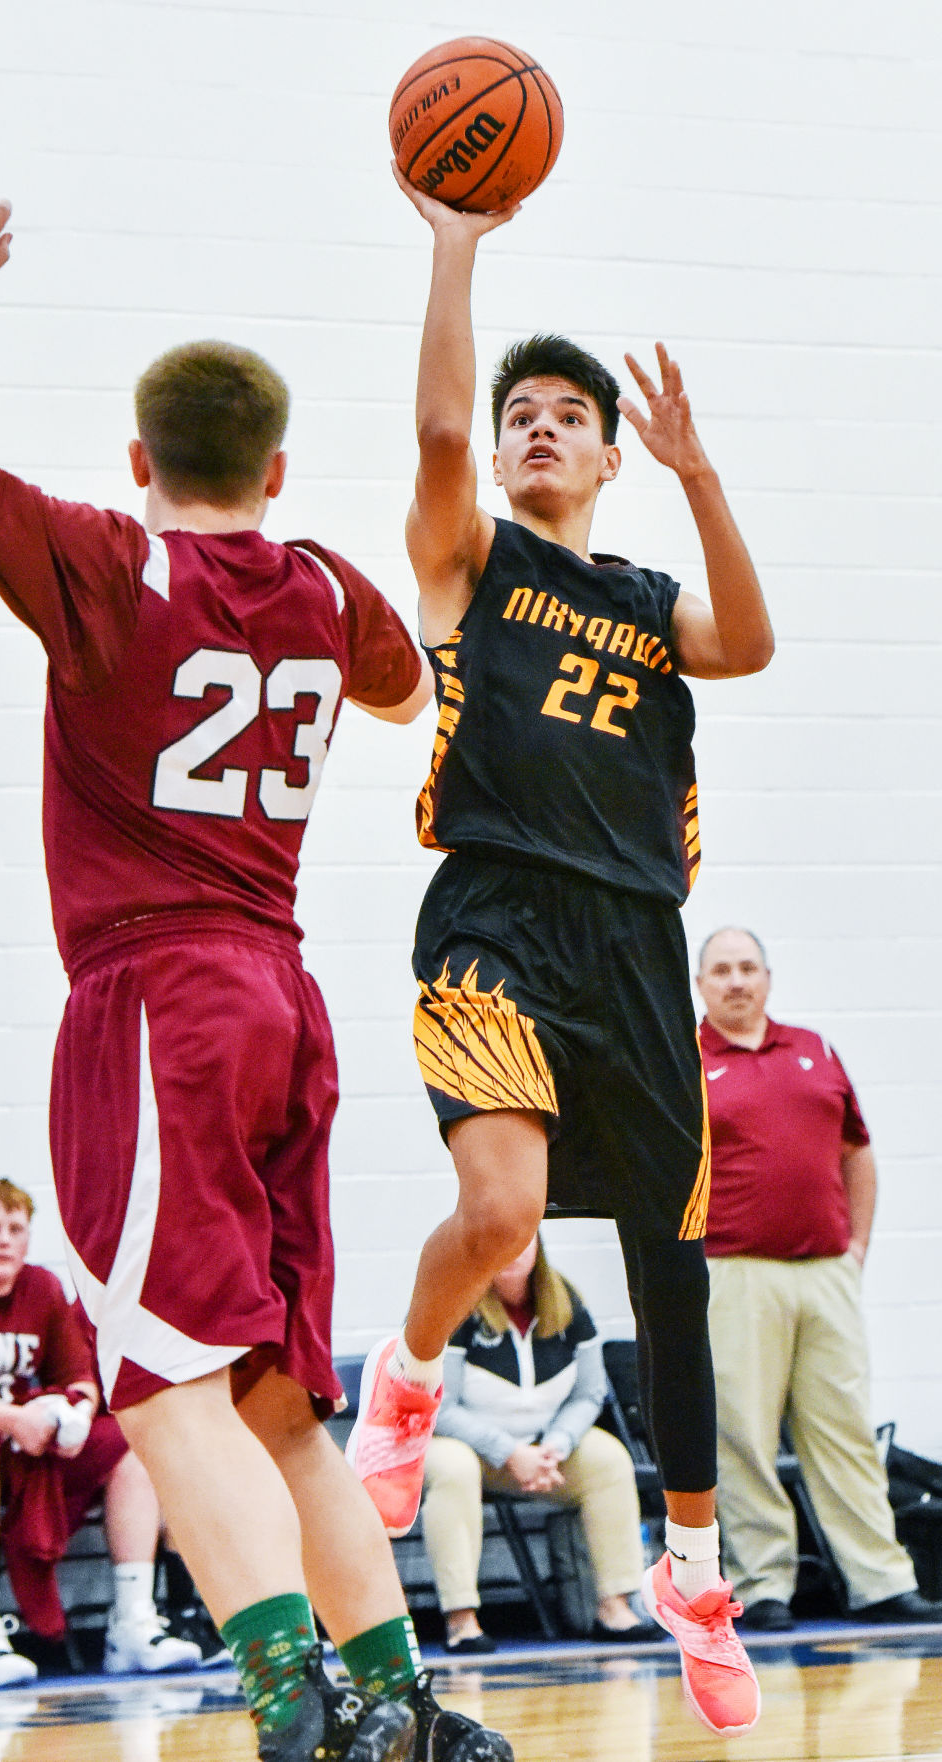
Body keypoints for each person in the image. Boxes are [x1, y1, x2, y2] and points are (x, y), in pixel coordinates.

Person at [0, 168, 512, 1762]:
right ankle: (406, 1711)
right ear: (274, 470)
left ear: (142, 465)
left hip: (159, 1002)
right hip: (286, 999)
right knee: (282, 1402)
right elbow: (415, 689)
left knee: (162, 1387)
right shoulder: (330, 584)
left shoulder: (111, 561)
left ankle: (294, 1696)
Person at [347, 167, 775, 1740]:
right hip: (495, 919)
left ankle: (689, 1571)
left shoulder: (653, 601)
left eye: (563, 415)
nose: (535, 426)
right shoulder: (476, 563)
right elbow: (441, 438)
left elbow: (754, 642)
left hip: (637, 947)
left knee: (672, 1265)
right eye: (525, 408)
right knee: (506, 1206)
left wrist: (702, 470)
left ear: (606, 450)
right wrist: (455, 251)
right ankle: (400, 1376)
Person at [696, 927, 942, 1630]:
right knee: (743, 1435)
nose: (737, 981)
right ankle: (764, 1585)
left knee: (847, 1431)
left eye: (748, 968)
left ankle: (881, 1581)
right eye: (721, 971)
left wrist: (857, 1246)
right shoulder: (684, 1059)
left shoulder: (816, 1050)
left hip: (827, 1273)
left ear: (768, 978)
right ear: (701, 987)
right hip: (735, 1273)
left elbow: (856, 1153)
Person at [0, 1179, 199, 1683]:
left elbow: (79, 1376)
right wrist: (7, 1419)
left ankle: (133, 1622)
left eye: (16, 1229)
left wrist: (76, 1412)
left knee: (129, 1444)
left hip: (24, 1446)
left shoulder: (42, 1286)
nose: (4, 1240)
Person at [422, 1232, 661, 1651]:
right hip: (469, 1447)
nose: (513, 1251)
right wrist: (509, 1452)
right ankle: (462, 1620)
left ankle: (616, 1608)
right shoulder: (458, 1302)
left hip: (543, 1451)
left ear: (539, 1246)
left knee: (609, 1460)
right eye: (503, 1241)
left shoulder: (567, 1302)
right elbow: (441, 1408)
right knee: (454, 1467)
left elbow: (589, 1394)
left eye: (523, 1240)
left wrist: (556, 1446)